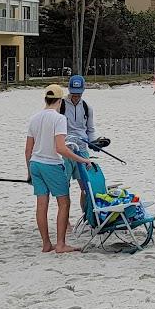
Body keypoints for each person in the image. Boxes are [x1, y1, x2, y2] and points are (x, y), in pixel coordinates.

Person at [27, 84, 97, 253]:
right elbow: (61, 148)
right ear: (59, 101)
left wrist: (29, 171)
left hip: (35, 164)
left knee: (41, 205)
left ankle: (46, 244)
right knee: (64, 203)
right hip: (51, 164)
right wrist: (82, 159)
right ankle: (60, 244)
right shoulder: (59, 119)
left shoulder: (34, 118)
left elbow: (28, 149)